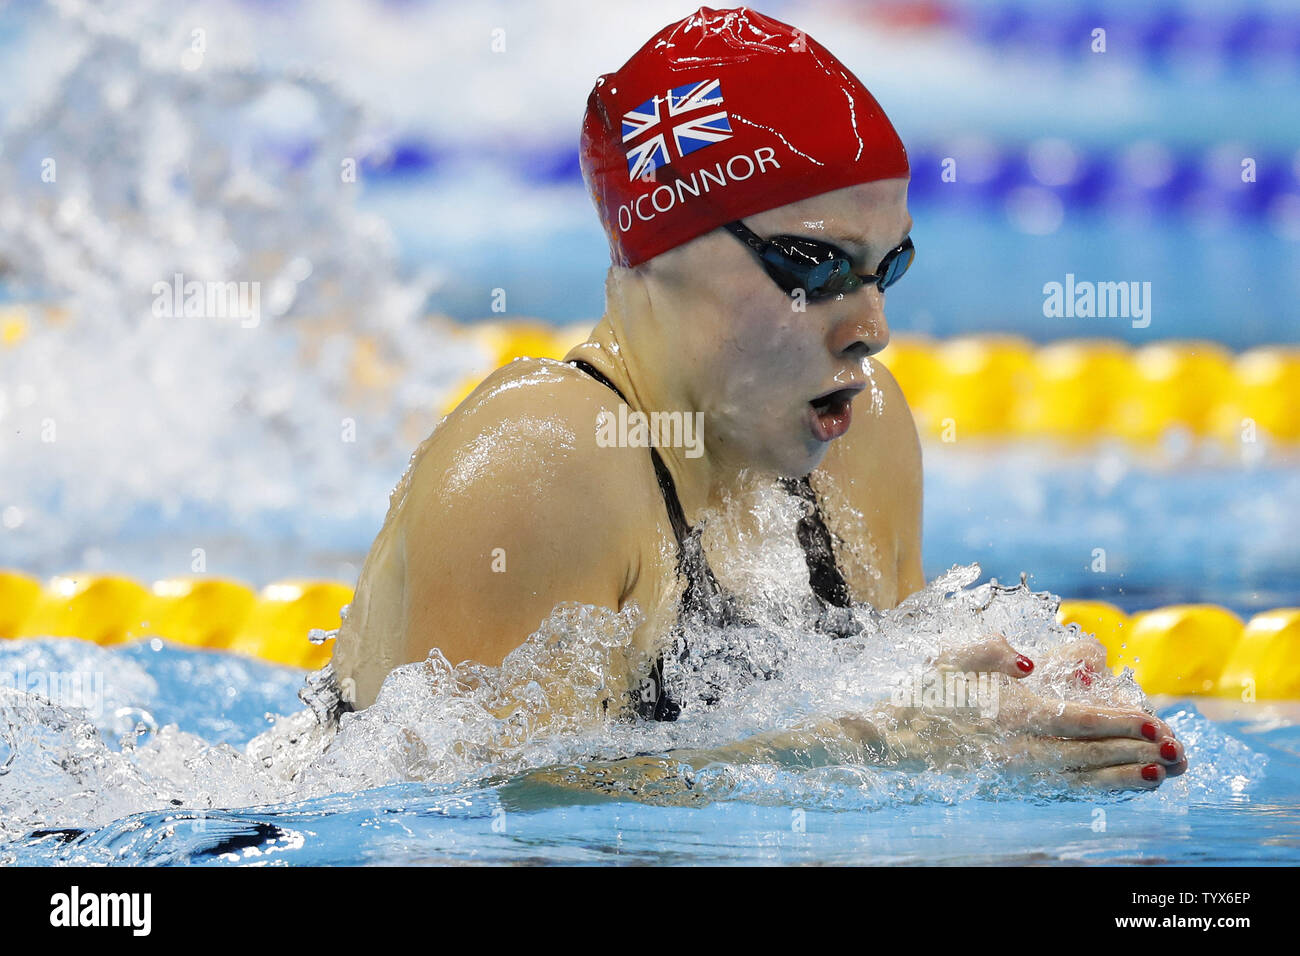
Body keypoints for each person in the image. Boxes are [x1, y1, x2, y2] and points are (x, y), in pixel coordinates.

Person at [325, 6, 1186, 789]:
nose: (873, 327)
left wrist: (1014, 744)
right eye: (818, 267)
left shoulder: (865, 436)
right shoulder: (544, 462)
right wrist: (870, 744)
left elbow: (881, 760)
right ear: (662, 248)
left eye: (889, 268)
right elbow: (471, 817)